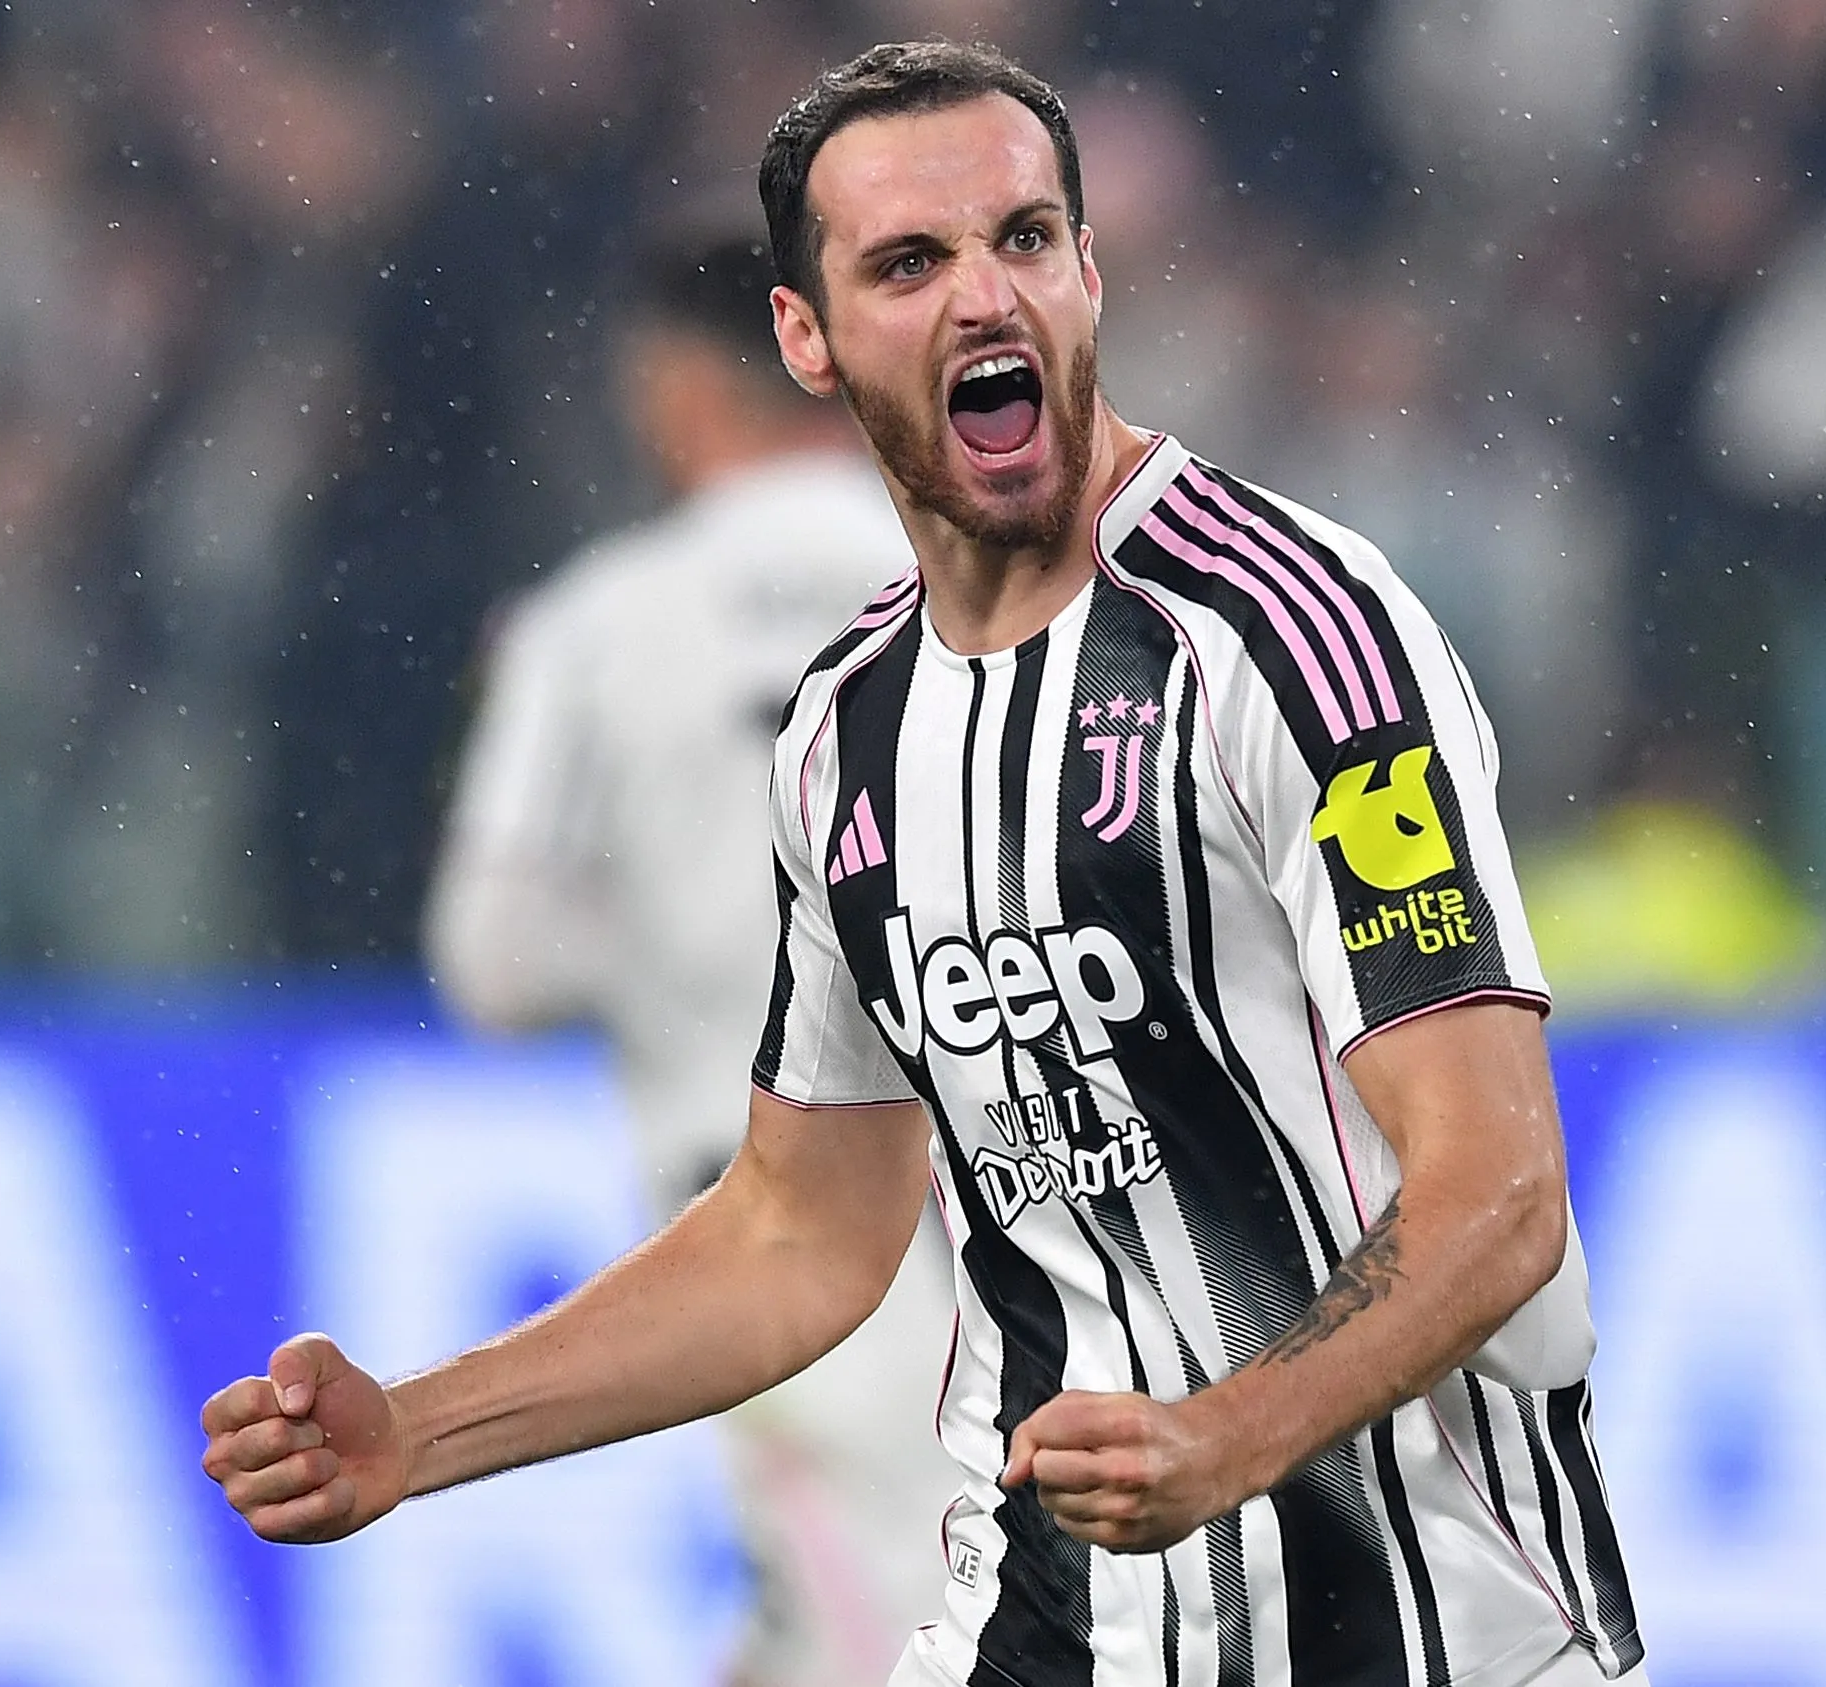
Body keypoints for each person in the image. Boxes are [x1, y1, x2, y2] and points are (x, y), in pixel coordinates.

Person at [202, 40, 1648, 1687]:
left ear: (1091, 271)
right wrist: (415, 1428)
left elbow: (1498, 1188)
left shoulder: (1296, 638)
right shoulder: (845, 735)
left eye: (1024, 238)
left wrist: (1230, 1434)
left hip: (1425, 1637)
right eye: (908, 263)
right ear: (803, 338)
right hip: (1047, 1627)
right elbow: (796, 1233)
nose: (984, 296)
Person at [422, 223, 958, 1686]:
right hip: (1010, 1173)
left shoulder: (589, 628)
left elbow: (492, 962)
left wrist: (672, 921)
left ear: (673, 388)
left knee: (880, 1614)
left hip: (756, 1212)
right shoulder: (984, 574)